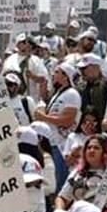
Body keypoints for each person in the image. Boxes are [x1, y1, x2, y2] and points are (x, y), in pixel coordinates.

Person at [57, 134, 107, 212]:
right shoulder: (77, 172)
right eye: (89, 148)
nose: (91, 150)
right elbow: (63, 197)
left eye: (96, 148)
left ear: (105, 152)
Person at [34, 63, 82, 191]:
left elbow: (67, 121)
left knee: (60, 184)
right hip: (52, 144)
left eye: (57, 72)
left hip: (62, 146)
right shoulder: (58, 94)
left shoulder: (72, 94)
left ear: (66, 76)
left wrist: (44, 117)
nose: (53, 74)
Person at [4, 33, 50, 102]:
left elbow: (43, 80)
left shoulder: (36, 60)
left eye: (30, 43)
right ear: (18, 44)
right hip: (12, 100)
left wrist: (32, 76)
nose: (28, 44)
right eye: (24, 42)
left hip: (29, 100)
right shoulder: (10, 59)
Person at [78, 54, 107, 119]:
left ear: (96, 67)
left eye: (84, 68)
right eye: (80, 69)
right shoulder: (82, 87)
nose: (81, 71)